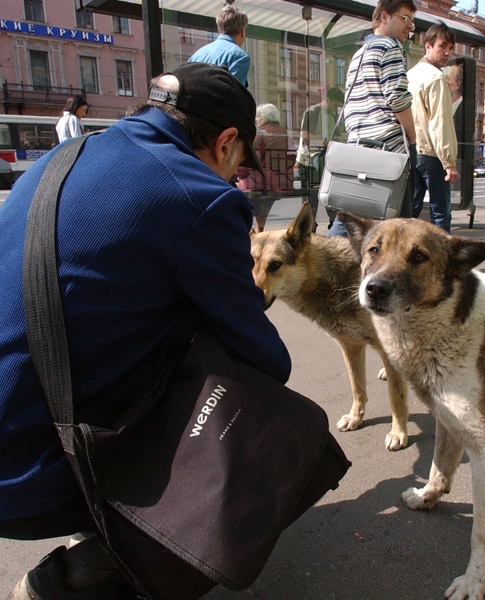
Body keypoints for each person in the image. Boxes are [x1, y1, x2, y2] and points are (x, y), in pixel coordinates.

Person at [0, 62, 291, 599]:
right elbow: (266, 360)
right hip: (25, 482)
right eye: (240, 162)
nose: (234, 175)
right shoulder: (198, 194)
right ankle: (86, 576)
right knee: (258, 411)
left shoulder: (61, 158)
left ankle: (112, 517)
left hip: (14, 435)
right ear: (226, 142)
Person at [327, 0, 417, 237]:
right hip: (388, 149)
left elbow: (351, 103)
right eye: (405, 18)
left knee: (350, 220)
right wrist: (413, 134)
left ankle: (325, 262)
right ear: (385, 17)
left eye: (412, 21)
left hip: (359, 146)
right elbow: (397, 98)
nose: (410, 26)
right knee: (399, 227)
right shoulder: (390, 47)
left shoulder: (359, 54)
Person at [407, 23, 459, 232]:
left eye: (450, 48)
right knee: (441, 213)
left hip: (411, 150)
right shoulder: (437, 77)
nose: (447, 52)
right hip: (432, 153)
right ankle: (444, 262)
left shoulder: (409, 75)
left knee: (409, 211)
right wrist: (449, 162)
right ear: (428, 46)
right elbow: (440, 122)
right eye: (442, 46)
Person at [237, 103, 294, 232]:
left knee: (249, 204)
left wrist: (238, 172)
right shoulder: (285, 134)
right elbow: (291, 157)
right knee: (263, 206)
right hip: (279, 182)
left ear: (264, 117)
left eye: (257, 116)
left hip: (258, 182)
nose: (256, 119)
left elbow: (249, 160)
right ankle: (260, 229)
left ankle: (251, 232)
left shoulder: (260, 134)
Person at [296, 86, 346, 230]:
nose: (335, 109)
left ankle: (332, 223)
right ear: (327, 100)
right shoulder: (313, 112)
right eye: (335, 105)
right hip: (309, 161)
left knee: (329, 196)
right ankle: (310, 227)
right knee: (311, 199)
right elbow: (306, 137)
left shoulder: (331, 116)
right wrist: (328, 144)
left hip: (324, 160)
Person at [188, 0, 250, 86]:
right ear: (242, 31)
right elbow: (233, 94)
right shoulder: (239, 57)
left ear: (219, 28)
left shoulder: (196, 56)